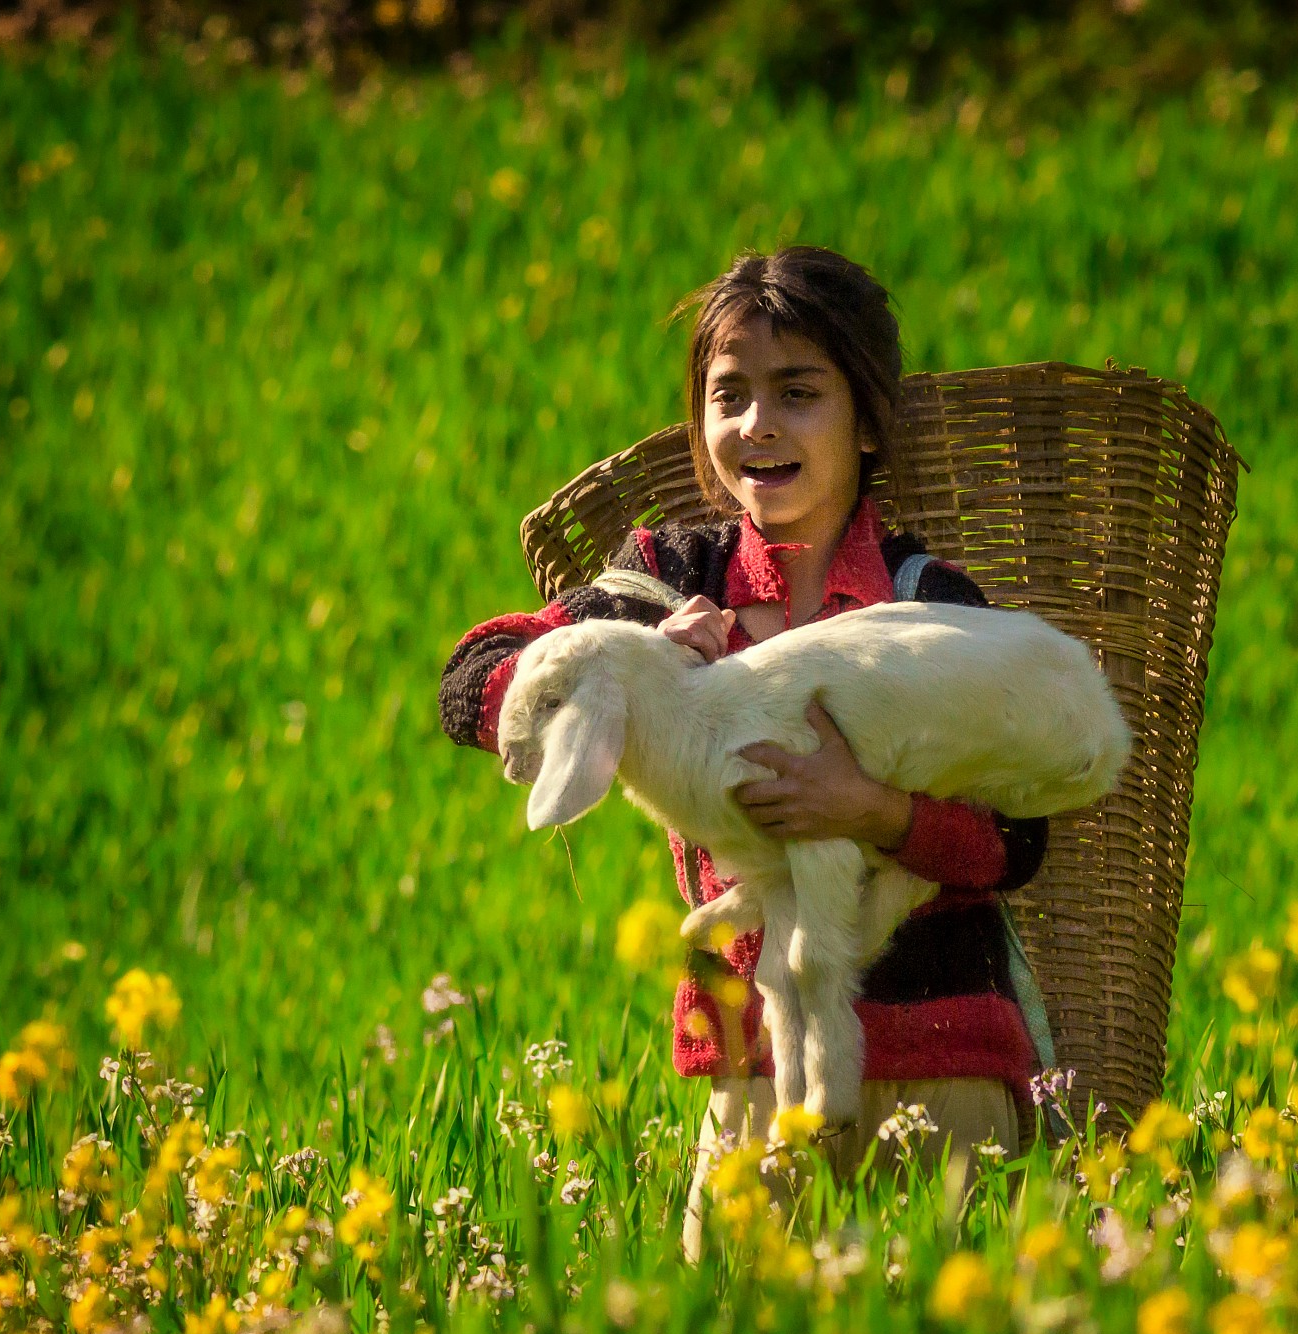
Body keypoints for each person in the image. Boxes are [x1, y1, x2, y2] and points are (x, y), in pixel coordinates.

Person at [435, 246, 1047, 1261]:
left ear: (866, 418)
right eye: (730, 396)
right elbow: (473, 681)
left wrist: (872, 811)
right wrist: (621, 661)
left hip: (948, 1070)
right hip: (754, 1076)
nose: (758, 425)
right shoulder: (667, 578)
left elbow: (1018, 838)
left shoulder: (929, 602)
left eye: (798, 393)